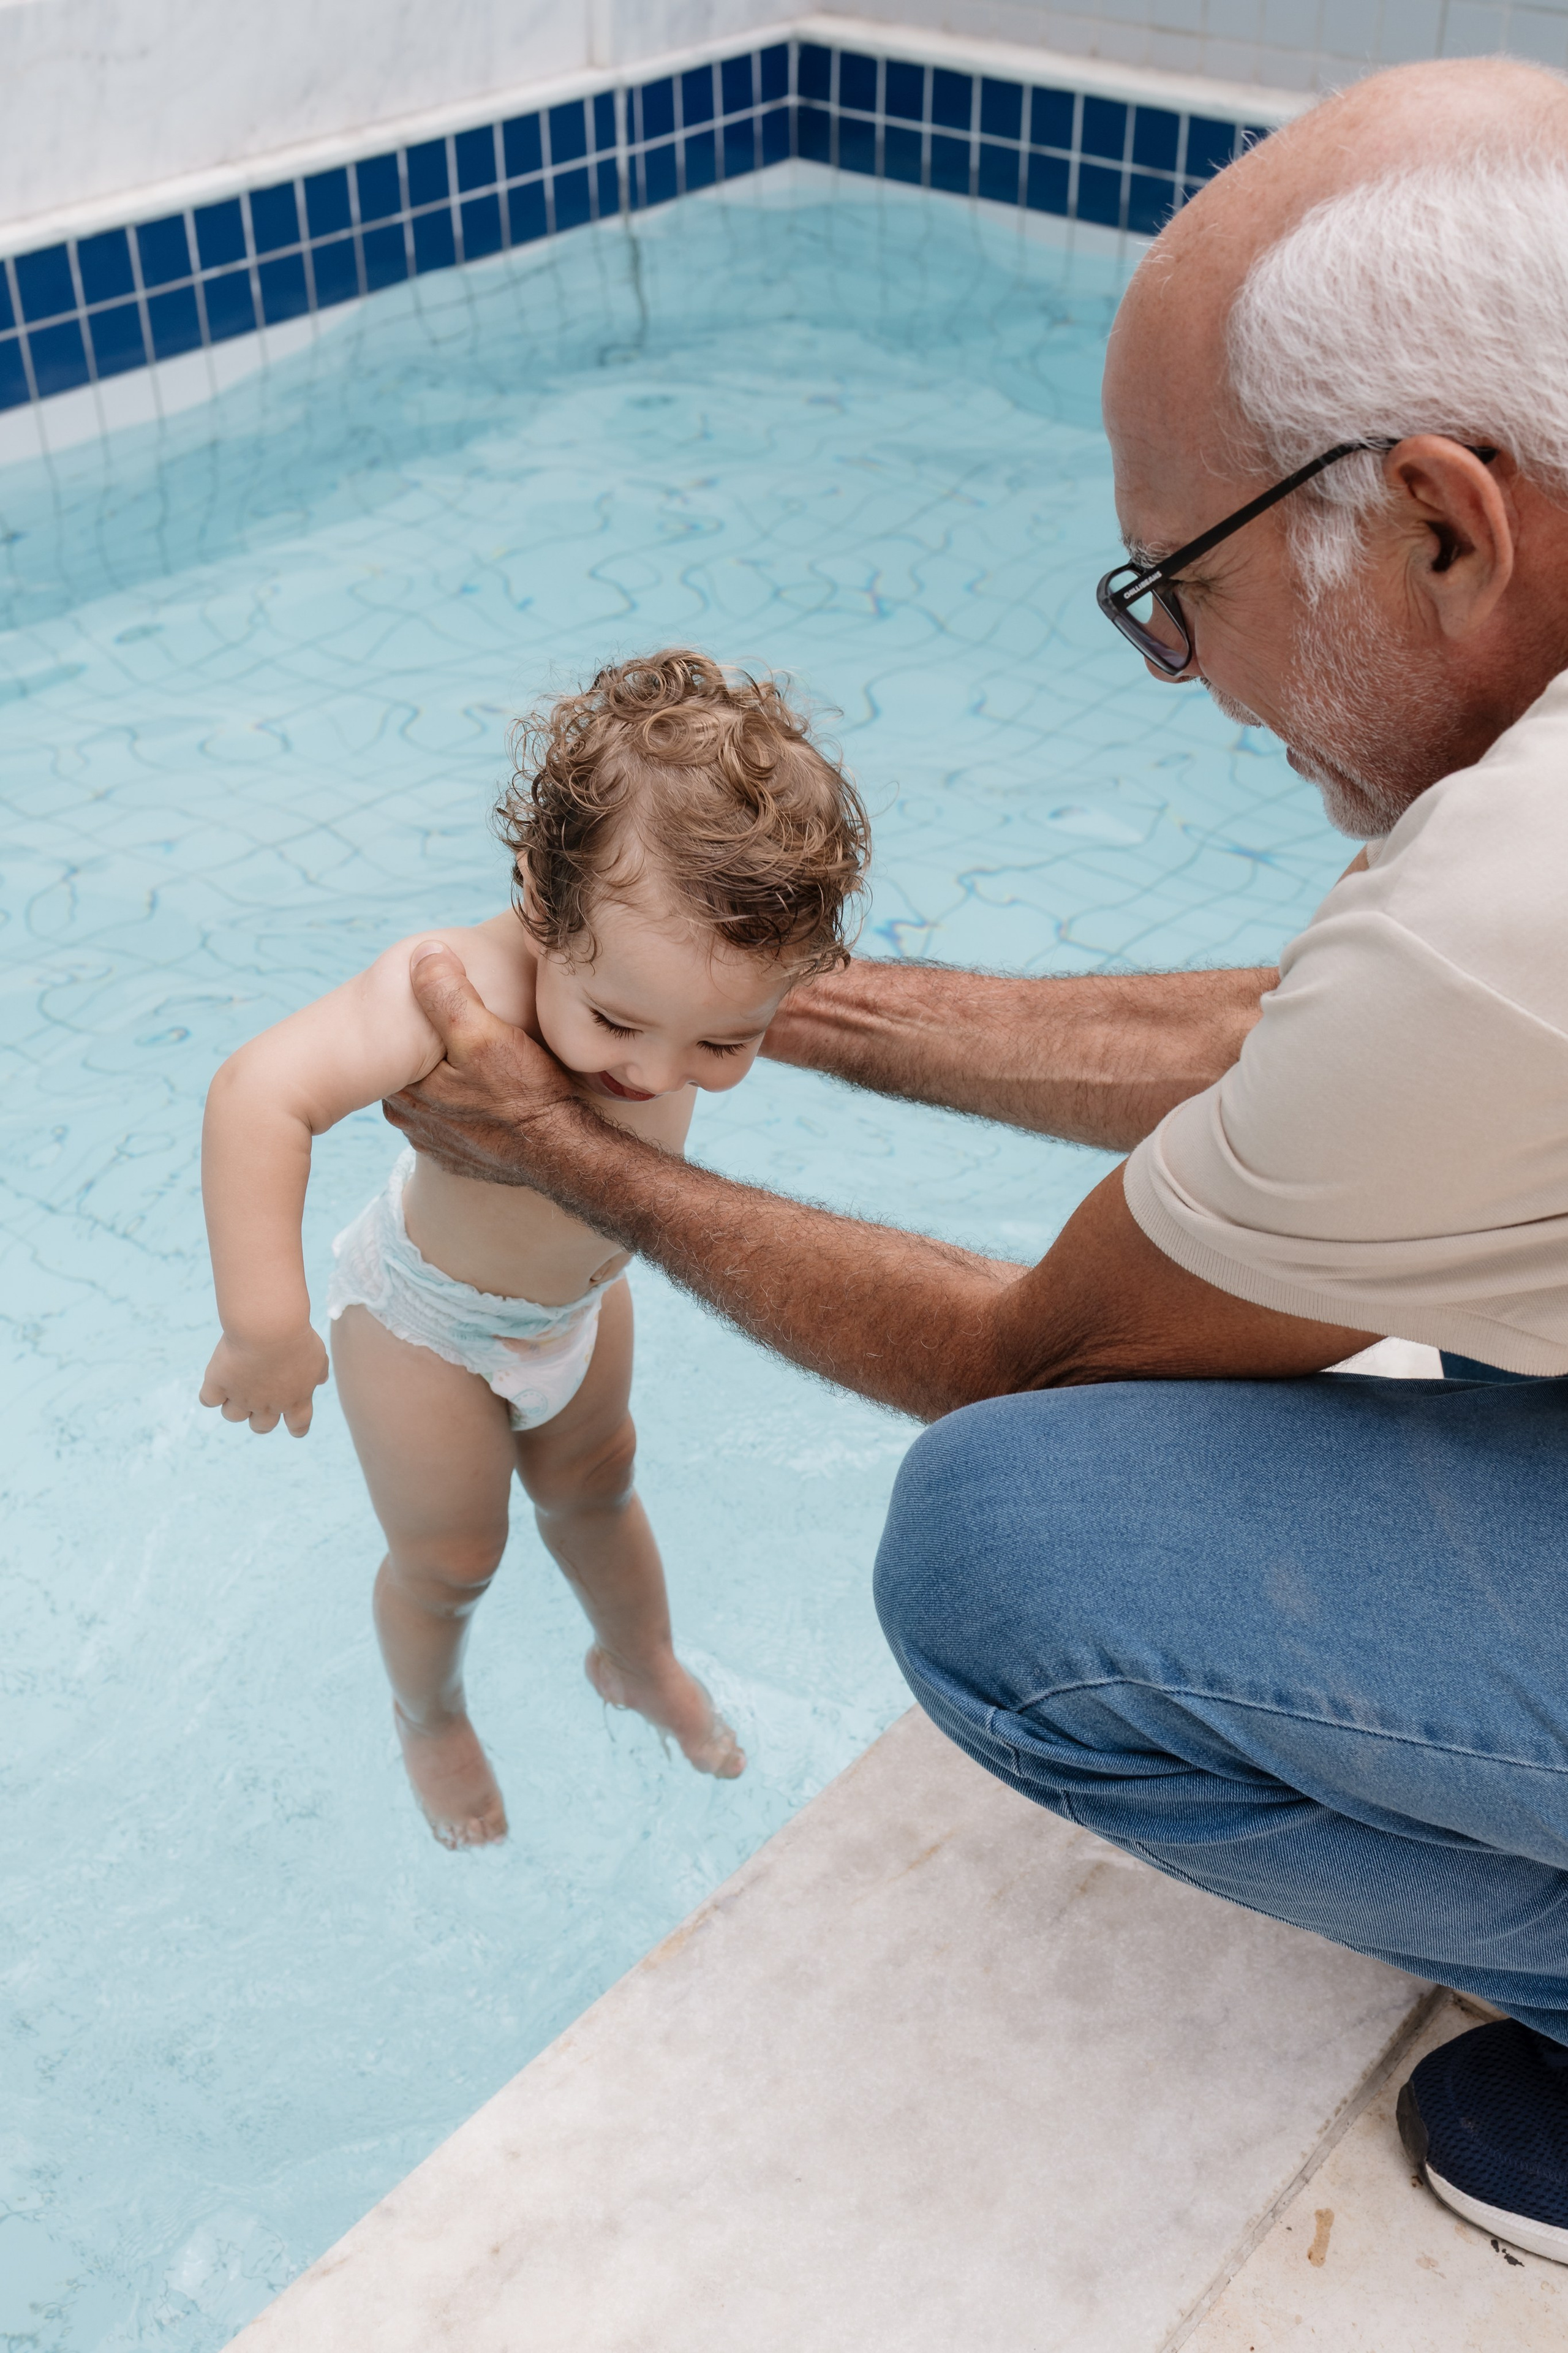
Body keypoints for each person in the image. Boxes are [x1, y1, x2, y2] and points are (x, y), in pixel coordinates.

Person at [377, 61, 1568, 2260]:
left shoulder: (1523, 909)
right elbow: (1303, 1041)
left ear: (1439, 522)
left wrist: (587, 1149)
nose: (1178, 672)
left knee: (1011, 1551)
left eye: (1174, 587)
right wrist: (733, 993)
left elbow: (1036, 1362)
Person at [198, 651, 869, 1848]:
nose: (655, 1072)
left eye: (723, 1044)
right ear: (537, 897)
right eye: (615, 1020)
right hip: (424, 1325)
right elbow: (259, 1093)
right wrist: (264, 1322)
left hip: (574, 1311)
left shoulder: (681, 966)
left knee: (599, 1487)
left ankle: (637, 1658)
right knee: (453, 1554)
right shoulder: (450, 984)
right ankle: (429, 1711)